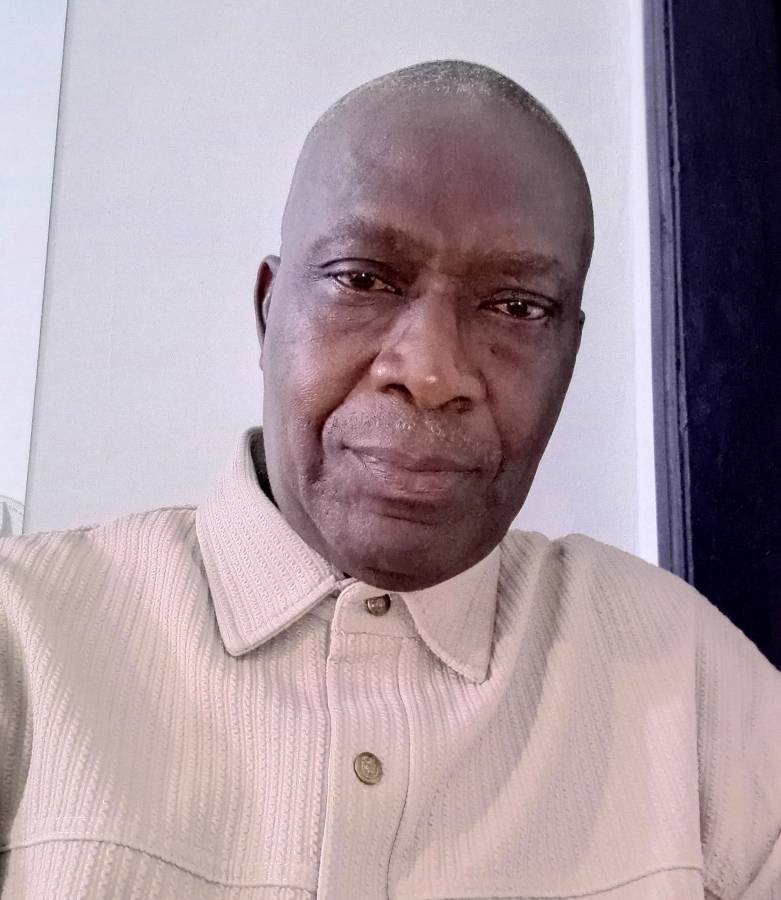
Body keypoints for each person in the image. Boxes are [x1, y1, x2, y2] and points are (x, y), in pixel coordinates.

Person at [0, 60, 779, 900]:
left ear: (569, 354)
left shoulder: (682, 674)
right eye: (362, 279)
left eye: (516, 306)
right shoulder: (26, 639)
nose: (432, 372)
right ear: (268, 312)